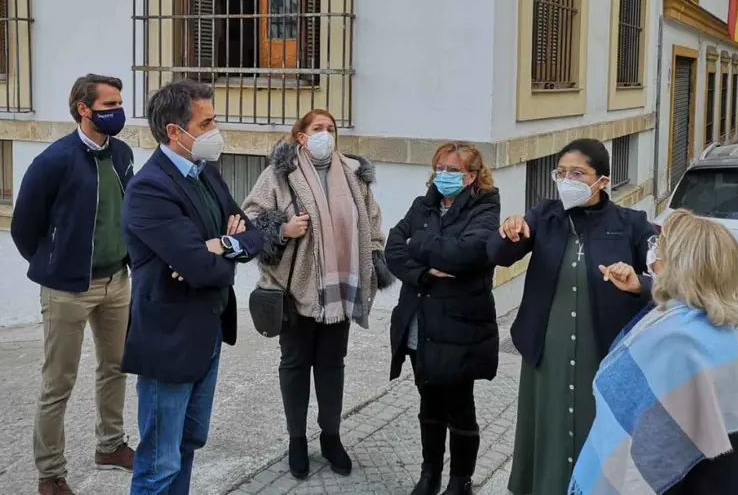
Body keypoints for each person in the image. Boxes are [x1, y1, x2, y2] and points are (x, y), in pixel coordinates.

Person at [486, 138, 655, 495]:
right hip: (548, 352)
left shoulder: (631, 224)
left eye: (577, 173)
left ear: (602, 181)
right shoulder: (544, 216)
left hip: (602, 354)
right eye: (561, 173)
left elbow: (667, 279)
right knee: (547, 429)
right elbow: (500, 255)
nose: (567, 180)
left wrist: (639, 283)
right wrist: (508, 231)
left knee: (598, 431)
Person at [120, 79, 263, 494]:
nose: (216, 131)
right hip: (169, 341)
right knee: (159, 463)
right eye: (207, 123)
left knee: (188, 443)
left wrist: (222, 245)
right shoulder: (149, 188)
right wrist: (215, 254)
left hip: (208, 330)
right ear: (174, 131)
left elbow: (254, 235)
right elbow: (201, 269)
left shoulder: (206, 173)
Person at [241, 109, 393, 480]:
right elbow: (250, 219)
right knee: (294, 365)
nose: (326, 134)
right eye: (317, 128)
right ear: (301, 136)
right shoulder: (280, 174)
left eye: (330, 128)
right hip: (295, 292)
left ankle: (331, 436)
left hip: (341, 291)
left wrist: (374, 258)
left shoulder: (355, 174)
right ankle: (297, 440)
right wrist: (283, 229)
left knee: (332, 364)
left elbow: (372, 221)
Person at [11, 73, 136, 495]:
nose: (117, 111)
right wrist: (54, 265)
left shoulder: (122, 154)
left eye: (119, 103)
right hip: (67, 290)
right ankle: (50, 474)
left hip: (117, 282)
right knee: (58, 383)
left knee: (116, 368)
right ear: (83, 109)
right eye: (108, 105)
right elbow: (24, 228)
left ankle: (111, 446)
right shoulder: (54, 161)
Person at [570, 209, 738, 495]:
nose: (655, 256)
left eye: (661, 249)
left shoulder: (676, 340)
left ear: (682, 266)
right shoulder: (720, 325)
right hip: (719, 476)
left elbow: (643, 424)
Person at [385, 142, 501, 495]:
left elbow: (466, 253)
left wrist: (418, 242)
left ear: (471, 176)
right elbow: (393, 249)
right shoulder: (423, 205)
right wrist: (423, 272)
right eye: (440, 168)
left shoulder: (485, 207)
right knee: (429, 401)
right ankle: (430, 474)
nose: (443, 175)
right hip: (420, 321)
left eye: (453, 170)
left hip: (459, 324)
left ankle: (459, 481)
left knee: (459, 405)